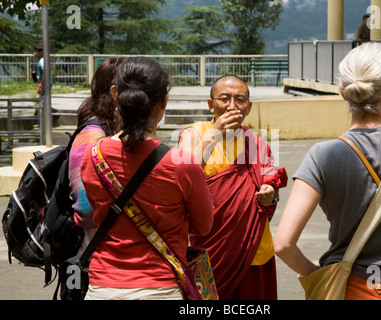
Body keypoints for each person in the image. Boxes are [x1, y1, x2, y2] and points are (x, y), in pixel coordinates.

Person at [274, 42, 381, 300]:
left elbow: (283, 245)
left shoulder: (322, 156)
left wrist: (317, 274)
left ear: (342, 92)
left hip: (348, 290)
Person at [78, 57, 214, 300]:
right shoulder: (182, 164)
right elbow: (203, 226)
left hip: (102, 287)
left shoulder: (92, 155)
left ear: (115, 94)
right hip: (161, 287)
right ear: (164, 102)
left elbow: (93, 209)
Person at [177, 75, 288, 300]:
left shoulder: (255, 141)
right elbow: (182, 174)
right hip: (211, 253)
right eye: (224, 99)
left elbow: (269, 181)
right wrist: (215, 134)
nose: (232, 106)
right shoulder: (193, 134)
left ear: (249, 107)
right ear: (211, 105)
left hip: (254, 251)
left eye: (240, 99)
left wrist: (270, 195)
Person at [69, 57, 125, 252]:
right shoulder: (92, 134)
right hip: (97, 249)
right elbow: (85, 207)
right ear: (115, 93)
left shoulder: (116, 128)